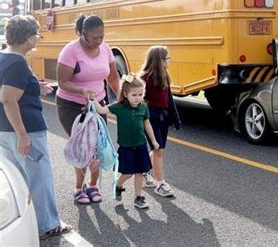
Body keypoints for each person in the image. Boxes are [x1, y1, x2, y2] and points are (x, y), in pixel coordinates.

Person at [0, 15, 72, 240]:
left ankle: (29, 221)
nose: (38, 38)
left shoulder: (4, 57)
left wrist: (34, 86)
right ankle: (47, 225)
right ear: (26, 37)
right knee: (39, 178)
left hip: (5, 129)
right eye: (36, 34)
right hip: (25, 129)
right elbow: (8, 98)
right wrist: (23, 135)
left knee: (19, 178)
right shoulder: (18, 63)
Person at [56, 15, 120, 205]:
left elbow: (113, 78)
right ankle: (78, 187)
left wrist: (122, 97)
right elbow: (62, 82)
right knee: (83, 146)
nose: (99, 41)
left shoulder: (105, 48)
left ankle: (93, 185)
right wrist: (82, 90)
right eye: (95, 38)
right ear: (83, 34)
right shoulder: (70, 51)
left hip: (97, 104)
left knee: (98, 145)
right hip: (71, 105)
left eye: (102, 36)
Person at [91, 74, 160, 209]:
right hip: (126, 147)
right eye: (134, 95)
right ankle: (118, 185)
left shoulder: (143, 108)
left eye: (140, 94)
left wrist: (153, 140)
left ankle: (138, 197)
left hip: (141, 145)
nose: (138, 98)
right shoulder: (119, 107)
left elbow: (147, 124)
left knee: (141, 172)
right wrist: (93, 100)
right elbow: (101, 110)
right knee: (128, 173)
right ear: (125, 94)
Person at [139, 45, 181, 197]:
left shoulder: (164, 76)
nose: (168, 61)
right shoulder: (144, 77)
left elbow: (169, 99)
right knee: (158, 150)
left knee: (159, 150)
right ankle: (160, 183)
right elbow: (139, 100)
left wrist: (175, 119)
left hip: (163, 117)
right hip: (151, 118)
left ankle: (143, 171)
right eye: (167, 58)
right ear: (159, 60)